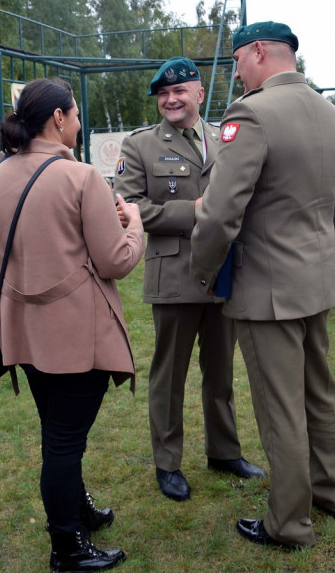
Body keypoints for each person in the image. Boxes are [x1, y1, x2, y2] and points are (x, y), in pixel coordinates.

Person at [190, 21, 335, 549]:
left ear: (259, 52)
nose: (235, 73)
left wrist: (204, 271)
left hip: (267, 290)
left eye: (237, 60)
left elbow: (218, 215)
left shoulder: (251, 113)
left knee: (280, 407)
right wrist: (316, 257)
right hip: (313, 280)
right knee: (319, 394)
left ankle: (289, 523)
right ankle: (331, 491)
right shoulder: (333, 115)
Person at [0, 78, 144, 571]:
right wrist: (133, 223)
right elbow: (115, 260)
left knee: (57, 432)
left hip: (22, 331)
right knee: (65, 442)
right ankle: (66, 547)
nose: (76, 121)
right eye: (73, 114)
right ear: (58, 118)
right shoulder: (81, 177)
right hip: (74, 334)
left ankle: (75, 509)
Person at [117, 56, 265, 503]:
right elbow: (128, 207)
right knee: (169, 375)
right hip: (175, 274)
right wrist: (193, 211)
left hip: (222, 273)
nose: (170, 100)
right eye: (163, 94)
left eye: (179, 91)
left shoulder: (225, 138)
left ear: (199, 94)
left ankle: (224, 452)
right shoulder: (139, 145)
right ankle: (168, 462)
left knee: (220, 372)